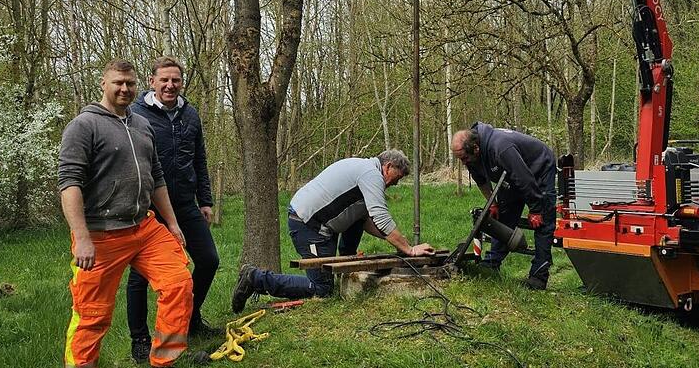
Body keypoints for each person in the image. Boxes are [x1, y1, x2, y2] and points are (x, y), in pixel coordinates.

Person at [58, 59, 194, 368]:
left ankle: (163, 363)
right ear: (103, 84)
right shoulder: (84, 126)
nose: (124, 89)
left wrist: (172, 224)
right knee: (92, 315)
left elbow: (156, 177)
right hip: (100, 234)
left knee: (178, 283)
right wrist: (82, 236)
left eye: (130, 84)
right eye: (118, 83)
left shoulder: (141, 124)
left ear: (138, 86)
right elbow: (69, 183)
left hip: (144, 227)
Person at [230, 150, 434, 312]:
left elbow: (368, 222)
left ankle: (345, 265)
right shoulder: (372, 174)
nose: (394, 184)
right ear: (388, 166)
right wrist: (409, 249)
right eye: (395, 178)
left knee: (359, 215)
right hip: (308, 225)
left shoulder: (363, 168)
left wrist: (396, 242)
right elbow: (380, 215)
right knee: (321, 289)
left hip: (319, 224)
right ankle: (255, 278)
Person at [125, 57, 220, 362]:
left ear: (181, 83)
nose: (170, 85)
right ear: (152, 82)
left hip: (184, 204)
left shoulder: (190, 115)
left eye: (175, 80)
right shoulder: (135, 115)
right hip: (148, 209)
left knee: (208, 260)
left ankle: (190, 320)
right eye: (164, 80)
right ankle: (140, 340)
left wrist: (205, 200)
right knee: (140, 277)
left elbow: (200, 159)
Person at [451, 122, 556, 290]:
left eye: (464, 158)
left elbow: (524, 179)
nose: (463, 163)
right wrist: (492, 203)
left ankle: (538, 277)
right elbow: (482, 181)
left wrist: (536, 209)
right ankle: (491, 264)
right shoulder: (472, 155)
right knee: (503, 218)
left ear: (476, 148)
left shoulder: (500, 147)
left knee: (542, 222)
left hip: (538, 169)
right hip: (511, 175)